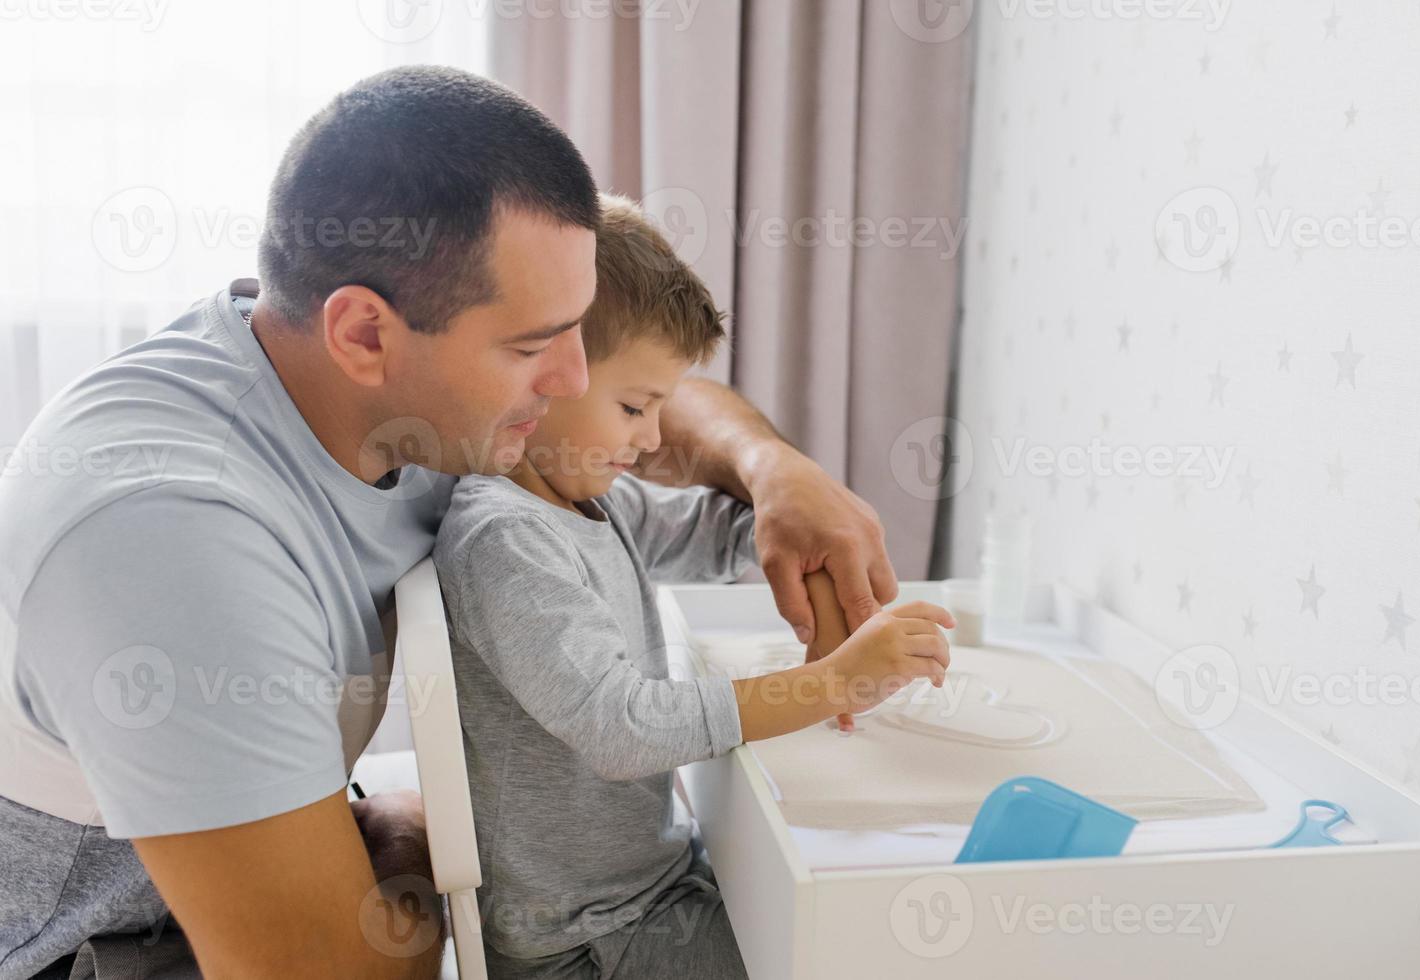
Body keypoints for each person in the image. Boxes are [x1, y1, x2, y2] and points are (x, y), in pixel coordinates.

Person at [0, 67, 897, 979]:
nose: (573, 384)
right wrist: (418, 835)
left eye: (577, 332)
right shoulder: (172, 541)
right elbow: (326, 969)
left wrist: (776, 472)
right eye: (529, 347)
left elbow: (634, 405)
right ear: (363, 334)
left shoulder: (385, 388)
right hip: (89, 947)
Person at [433, 194, 953, 978]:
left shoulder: (582, 501)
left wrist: (799, 529)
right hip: (587, 942)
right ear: (546, 376)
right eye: (635, 407)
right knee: (854, 946)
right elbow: (622, 728)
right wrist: (831, 681)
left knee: (834, 889)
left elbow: (707, 535)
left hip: (641, 893)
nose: (650, 440)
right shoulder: (506, 539)